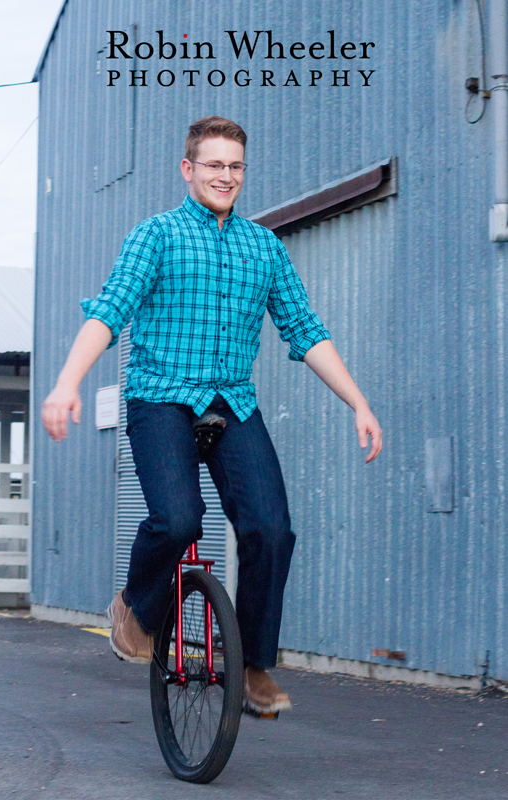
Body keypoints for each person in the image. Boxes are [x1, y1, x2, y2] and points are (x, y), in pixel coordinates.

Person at [42, 116, 382, 715]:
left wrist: (358, 402)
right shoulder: (157, 236)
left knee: (272, 531)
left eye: (235, 167)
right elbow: (111, 311)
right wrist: (68, 382)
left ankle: (251, 667)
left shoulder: (263, 246)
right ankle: (137, 606)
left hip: (233, 400)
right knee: (178, 520)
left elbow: (304, 330)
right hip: (160, 397)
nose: (226, 176)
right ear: (189, 169)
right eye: (214, 165)